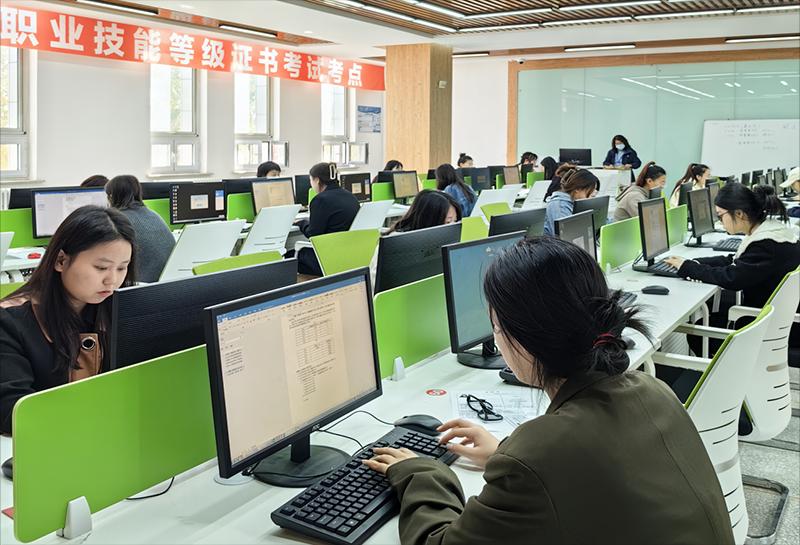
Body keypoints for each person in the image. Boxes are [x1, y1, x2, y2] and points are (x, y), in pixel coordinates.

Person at [363, 237, 734, 545]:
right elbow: (588, 469)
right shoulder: (652, 389)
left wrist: (422, 472)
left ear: (524, 340)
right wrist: (503, 452)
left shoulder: (541, 452)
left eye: (496, 326)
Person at [0, 206, 137, 434]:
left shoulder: (119, 309)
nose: (112, 280)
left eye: (122, 268)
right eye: (101, 267)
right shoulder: (10, 322)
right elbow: (10, 412)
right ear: (61, 260)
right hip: (49, 441)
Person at [662, 183, 799, 393]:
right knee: (711, 314)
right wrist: (691, 262)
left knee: (699, 331)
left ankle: (726, 389)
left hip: (765, 326)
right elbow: (735, 261)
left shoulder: (766, 245)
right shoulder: (772, 233)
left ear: (740, 214)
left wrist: (688, 268)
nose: (719, 221)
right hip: (776, 317)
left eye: (721, 215)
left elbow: (732, 278)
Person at [369, 190, 461, 286]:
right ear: (429, 220)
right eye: (448, 222)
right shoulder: (394, 244)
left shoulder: (440, 245)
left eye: (455, 221)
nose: (453, 227)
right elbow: (375, 285)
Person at [293, 162, 360, 276]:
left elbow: (313, 234)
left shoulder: (320, 200)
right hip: (346, 256)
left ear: (317, 180)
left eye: (311, 180)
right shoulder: (350, 196)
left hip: (325, 258)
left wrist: (301, 223)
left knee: (288, 255)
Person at [105, 175, 175, 283]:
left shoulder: (118, 221)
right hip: (167, 281)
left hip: (144, 285)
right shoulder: (154, 214)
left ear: (111, 197)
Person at [543, 168, 598, 236]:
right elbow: (565, 237)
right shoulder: (559, 206)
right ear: (578, 189)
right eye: (591, 190)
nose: (593, 194)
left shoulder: (577, 202)